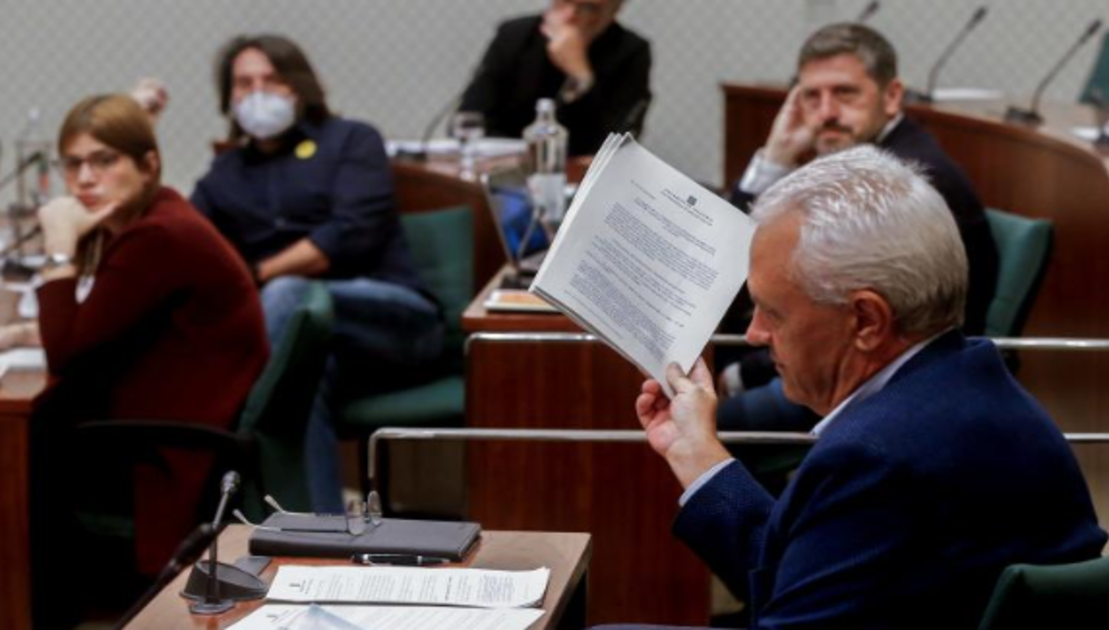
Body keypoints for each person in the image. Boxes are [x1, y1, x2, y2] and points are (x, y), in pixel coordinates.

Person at [628, 147, 1106, 629]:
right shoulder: (968, 379)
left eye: (772, 311)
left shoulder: (877, 459)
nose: (754, 334)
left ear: (866, 320)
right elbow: (811, 575)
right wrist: (697, 456)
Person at [17, 93, 268, 628]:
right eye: (75, 163)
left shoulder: (158, 235)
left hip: (165, 445)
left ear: (147, 163)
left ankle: (31, 612)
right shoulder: (157, 215)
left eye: (104, 160)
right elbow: (102, 324)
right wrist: (22, 327)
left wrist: (60, 248)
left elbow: (67, 352)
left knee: (20, 439)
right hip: (169, 420)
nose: (86, 178)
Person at [190, 34, 443, 513]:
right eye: (244, 83)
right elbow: (188, 245)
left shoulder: (352, 140)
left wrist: (260, 274)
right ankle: (316, 538)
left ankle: (228, 464)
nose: (258, 91)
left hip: (395, 320)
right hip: (309, 341)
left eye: (271, 79)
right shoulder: (225, 173)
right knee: (303, 375)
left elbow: (349, 234)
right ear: (229, 98)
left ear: (299, 85)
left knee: (287, 296)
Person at [719, 22, 999, 435]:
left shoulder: (904, 183)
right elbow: (736, 257)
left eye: (845, 93)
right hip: (838, 362)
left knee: (694, 424)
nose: (827, 112)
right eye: (811, 96)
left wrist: (736, 376)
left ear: (891, 96)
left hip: (890, 386)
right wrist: (776, 157)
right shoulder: (862, 165)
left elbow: (842, 324)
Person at [460, 0, 652, 156]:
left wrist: (580, 75)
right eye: (564, 2)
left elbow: (613, 144)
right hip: (506, 168)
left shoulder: (631, 52)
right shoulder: (515, 36)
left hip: (576, 180)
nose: (569, 15)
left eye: (588, 8)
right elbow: (472, 116)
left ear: (616, 8)